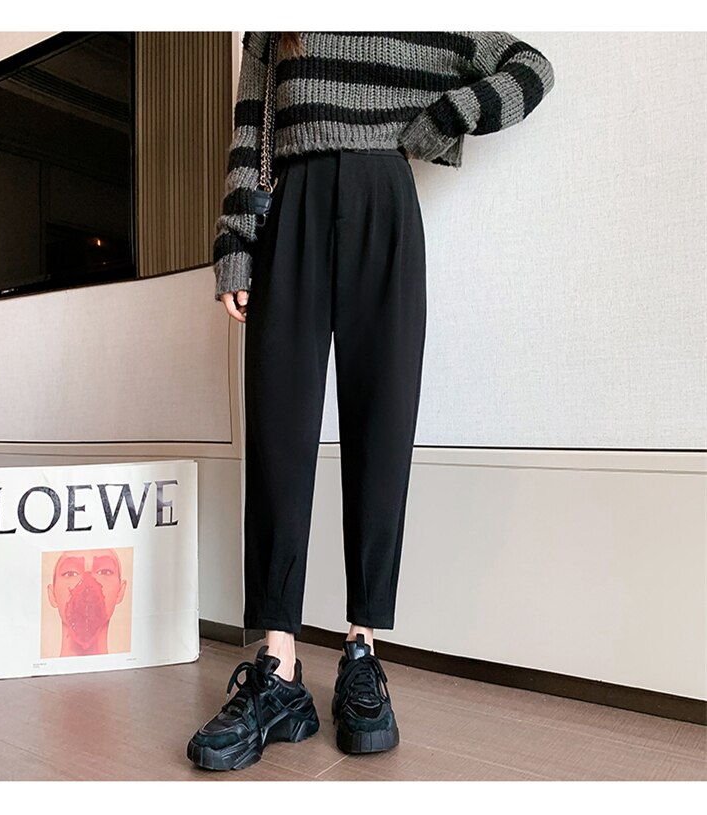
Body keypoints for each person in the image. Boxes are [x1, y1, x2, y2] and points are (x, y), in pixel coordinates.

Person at [187, 30, 555, 772]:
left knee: (381, 429)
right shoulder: (275, 26)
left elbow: (532, 68)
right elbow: (251, 136)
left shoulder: (425, 22)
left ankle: (362, 649)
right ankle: (279, 667)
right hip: (291, 207)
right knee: (279, 436)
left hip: (386, 201)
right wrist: (235, 243)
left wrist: (447, 117)